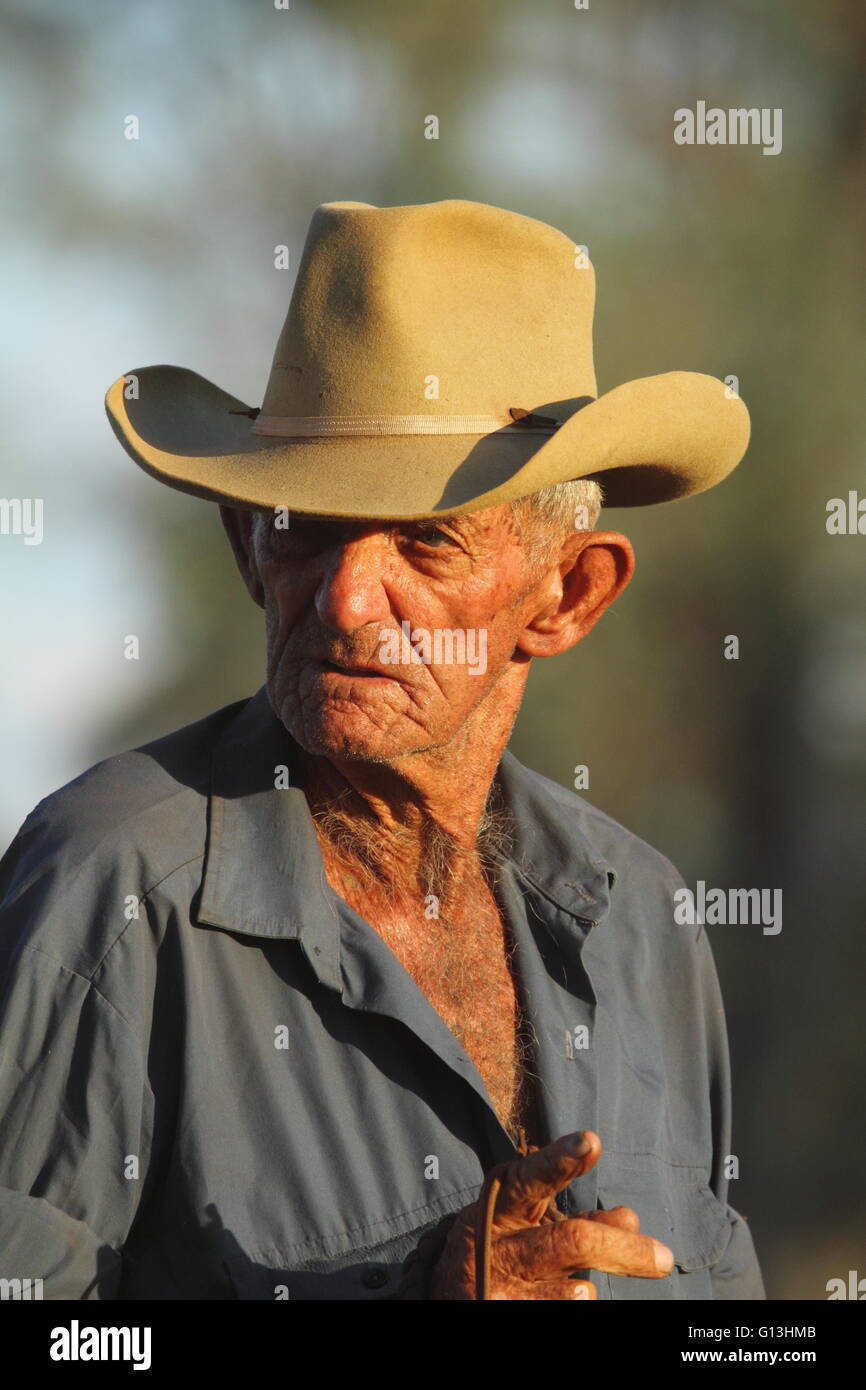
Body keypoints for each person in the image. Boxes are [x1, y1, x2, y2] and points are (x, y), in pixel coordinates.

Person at [0, 198, 764, 1299]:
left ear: (565, 596)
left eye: (424, 540)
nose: (349, 598)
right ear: (247, 547)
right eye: (302, 526)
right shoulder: (115, 884)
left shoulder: (641, 918)